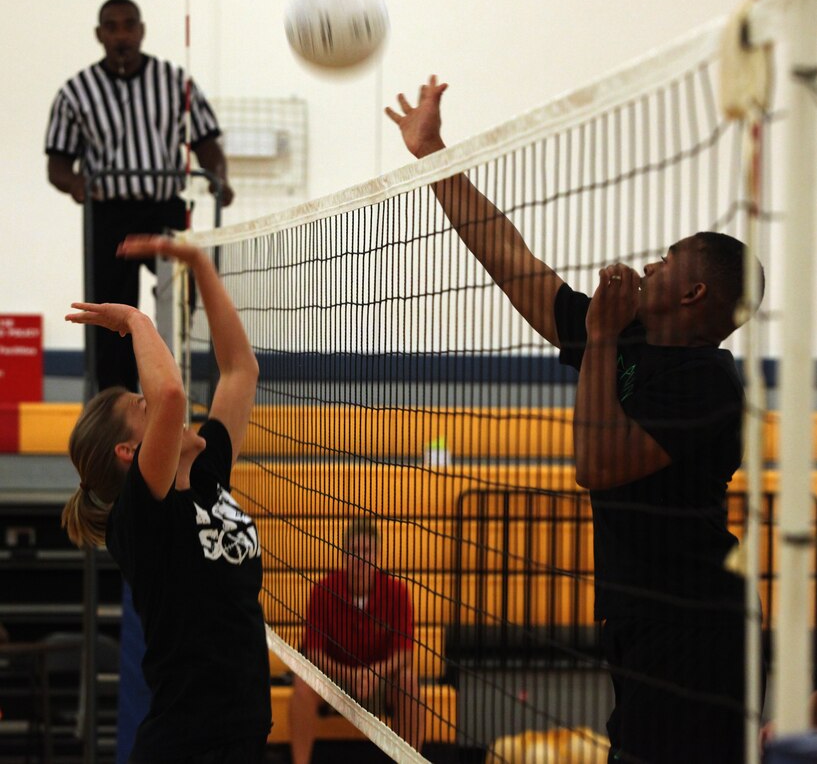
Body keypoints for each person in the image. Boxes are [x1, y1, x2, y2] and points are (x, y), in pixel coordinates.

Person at [386, 77, 766, 764]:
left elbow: (594, 466)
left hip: (696, 633)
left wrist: (596, 338)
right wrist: (433, 156)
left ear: (694, 290)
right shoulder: (625, 337)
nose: (651, 262)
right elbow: (511, 262)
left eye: (668, 257)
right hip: (641, 623)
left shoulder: (708, 381)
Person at [60, 234, 270, 763]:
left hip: (241, 742)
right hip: (186, 749)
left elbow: (241, 370)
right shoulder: (141, 519)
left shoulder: (205, 476)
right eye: (140, 402)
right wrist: (135, 322)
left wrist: (200, 262)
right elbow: (171, 394)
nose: (157, 398)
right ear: (130, 451)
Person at [45, 0, 234, 393]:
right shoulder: (75, 93)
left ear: (142, 30)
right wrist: (77, 184)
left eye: (128, 25)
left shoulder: (175, 81)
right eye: (111, 27)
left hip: (163, 208)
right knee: (110, 313)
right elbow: (58, 166)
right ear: (99, 35)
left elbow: (208, 145)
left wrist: (220, 179)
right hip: (109, 214)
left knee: (181, 297)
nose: (121, 35)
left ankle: (170, 385)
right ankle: (117, 402)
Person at [289, 517, 425, 763]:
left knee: (409, 682)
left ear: (378, 556)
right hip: (337, 680)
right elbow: (313, 653)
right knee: (302, 683)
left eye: (367, 551)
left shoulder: (398, 593)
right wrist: (350, 675)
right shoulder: (323, 590)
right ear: (343, 556)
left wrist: (376, 673)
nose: (361, 559)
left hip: (379, 681)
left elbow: (405, 655)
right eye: (353, 551)